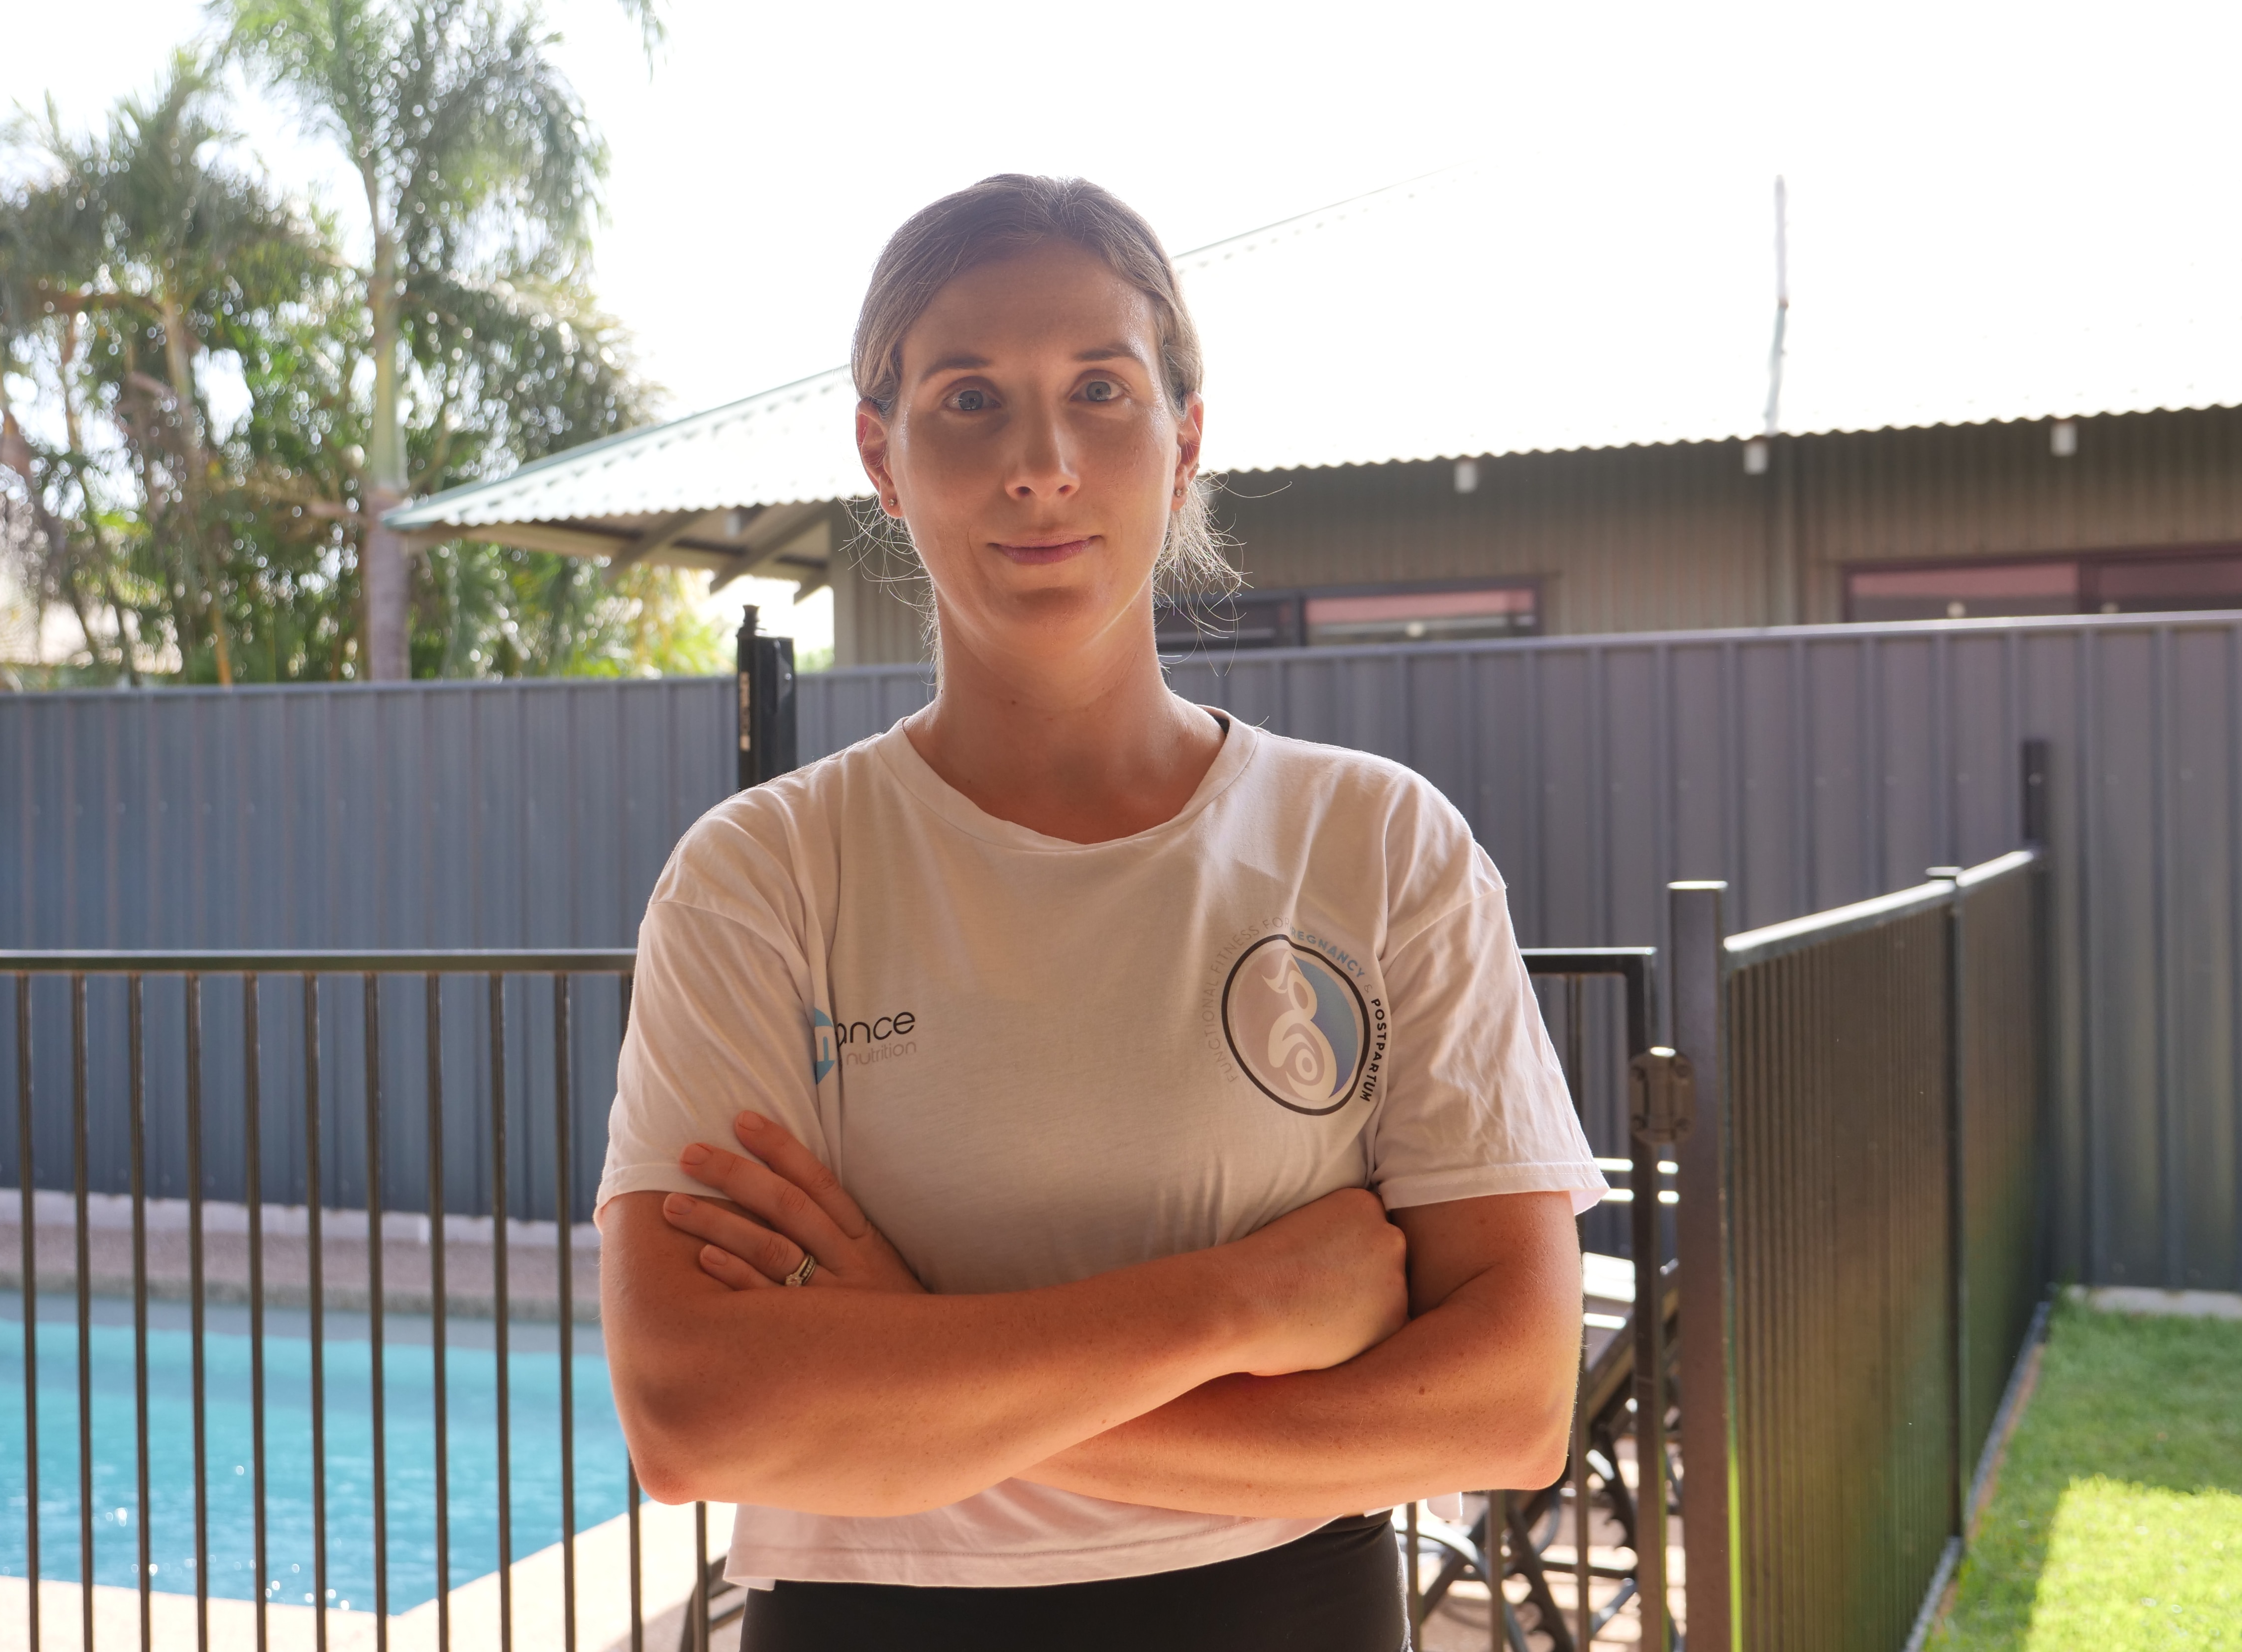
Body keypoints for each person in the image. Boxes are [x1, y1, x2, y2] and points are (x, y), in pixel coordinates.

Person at [596, 174, 1606, 1652]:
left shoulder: (1378, 843)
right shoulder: (763, 878)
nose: (1041, 463)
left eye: (1098, 389)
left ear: (1185, 437)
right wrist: (1241, 1305)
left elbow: (1511, 1404)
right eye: (968, 400)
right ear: (881, 457)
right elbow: (700, 1416)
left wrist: (908, 1348)